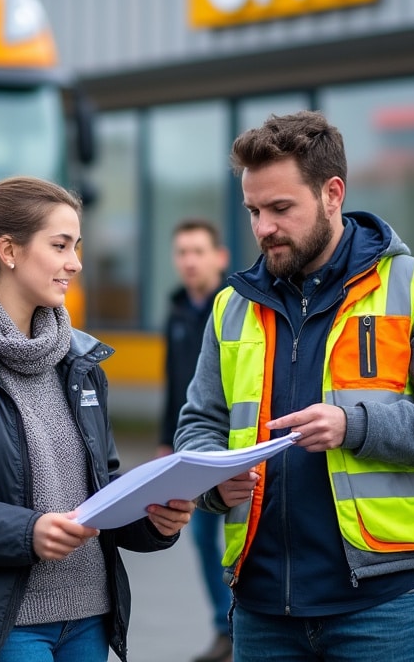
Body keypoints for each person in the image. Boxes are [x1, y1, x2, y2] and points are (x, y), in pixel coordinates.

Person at [175, 110, 414, 662]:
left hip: (377, 608)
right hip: (258, 607)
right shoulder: (231, 306)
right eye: (253, 211)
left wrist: (354, 426)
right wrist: (212, 481)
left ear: (332, 193)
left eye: (280, 208)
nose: (263, 227)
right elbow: (199, 423)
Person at [0, 176, 192, 662]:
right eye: (60, 245)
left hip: (89, 620)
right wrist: (26, 532)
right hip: (0, 628)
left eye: (76, 246)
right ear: (9, 251)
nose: (76, 262)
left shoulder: (80, 364)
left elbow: (100, 488)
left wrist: (152, 519)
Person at [157, 217, 232, 662]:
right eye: (182, 252)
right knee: (203, 537)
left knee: (245, 536)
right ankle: (225, 627)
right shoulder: (177, 310)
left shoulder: (236, 308)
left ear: (219, 258)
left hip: (235, 447)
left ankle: (248, 624)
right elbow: (173, 383)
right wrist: (166, 441)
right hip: (190, 448)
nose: (189, 261)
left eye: (198, 251)